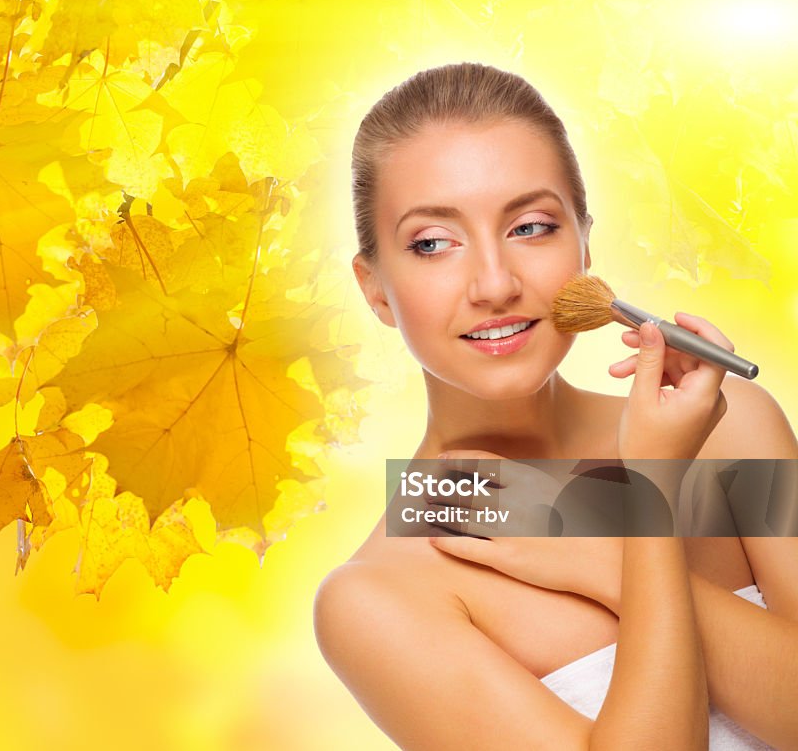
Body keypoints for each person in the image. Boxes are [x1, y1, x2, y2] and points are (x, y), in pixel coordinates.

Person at [314, 63, 798, 749]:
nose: (494, 283)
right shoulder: (378, 598)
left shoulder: (733, 428)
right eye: (432, 243)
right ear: (377, 290)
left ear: (584, 244)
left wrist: (603, 551)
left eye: (532, 227)